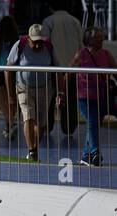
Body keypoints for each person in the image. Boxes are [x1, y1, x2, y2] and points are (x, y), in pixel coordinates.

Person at [6, 23, 63, 161]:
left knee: (41, 124)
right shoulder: (20, 45)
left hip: (44, 88)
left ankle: (34, 148)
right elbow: (8, 69)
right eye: (35, 42)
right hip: (24, 87)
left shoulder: (49, 47)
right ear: (29, 39)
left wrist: (60, 92)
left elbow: (59, 70)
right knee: (28, 117)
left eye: (41, 42)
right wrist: (10, 96)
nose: (38, 45)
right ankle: (31, 150)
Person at [73, 26, 115, 165]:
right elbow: (68, 72)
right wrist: (61, 92)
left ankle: (86, 156)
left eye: (101, 37)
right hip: (85, 96)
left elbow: (115, 70)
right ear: (89, 40)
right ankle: (95, 152)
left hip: (101, 96)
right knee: (92, 122)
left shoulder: (106, 54)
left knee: (94, 124)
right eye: (98, 37)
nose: (101, 39)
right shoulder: (81, 54)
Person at [42, 1, 83, 138]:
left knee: (49, 98)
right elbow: (80, 45)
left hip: (53, 68)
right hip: (72, 68)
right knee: (71, 98)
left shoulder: (48, 21)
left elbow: (45, 44)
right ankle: (69, 128)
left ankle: (47, 126)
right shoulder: (75, 21)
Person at [0, 14, 22, 141]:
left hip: (1, 73)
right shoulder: (16, 41)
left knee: (3, 100)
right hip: (15, 73)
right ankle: (12, 121)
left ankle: (9, 123)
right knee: (14, 98)